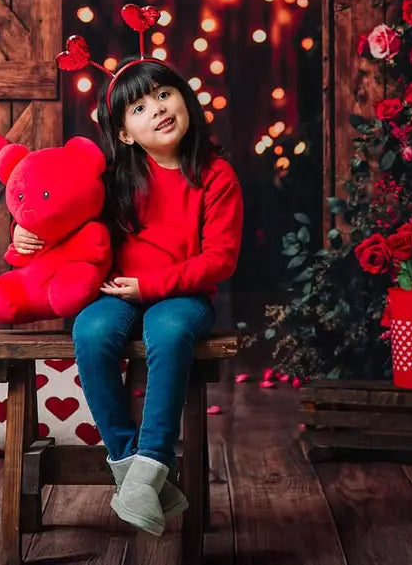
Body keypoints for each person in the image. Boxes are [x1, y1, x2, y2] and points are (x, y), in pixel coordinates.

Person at [12, 56, 243, 537]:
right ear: (123, 133)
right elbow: (61, 212)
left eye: (163, 94)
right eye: (138, 108)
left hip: (182, 294)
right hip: (116, 291)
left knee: (170, 329)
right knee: (91, 331)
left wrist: (152, 287)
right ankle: (128, 466)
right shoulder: (114, 177)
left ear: (185, 98)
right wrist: (24, 233)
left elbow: (219, 260)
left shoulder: (216, 176)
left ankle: (154, 460)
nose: (157, 109)